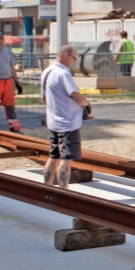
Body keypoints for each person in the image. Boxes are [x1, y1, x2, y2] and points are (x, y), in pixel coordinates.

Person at [40, 45, 92, 189]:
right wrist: (86, 104)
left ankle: (47, 187)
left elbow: (44, 98)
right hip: (68, 123)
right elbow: (76, 96)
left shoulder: (47, 72)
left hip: (54, 121)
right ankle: (64, 190)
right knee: (66, 159)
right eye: (74, 58)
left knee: (53, 156)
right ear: (66, 56)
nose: (74, 62)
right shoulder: (63, 73)